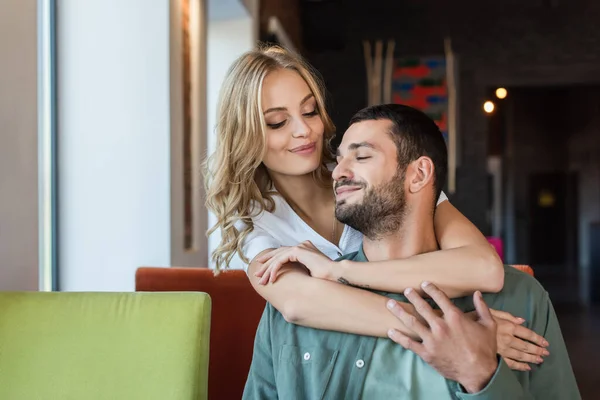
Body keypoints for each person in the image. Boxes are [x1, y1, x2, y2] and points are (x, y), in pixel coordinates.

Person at [204, 45, 547, 369]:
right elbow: (297, 303)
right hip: (341, 365)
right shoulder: (249, 221)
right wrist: (456, 333)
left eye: (310, 111)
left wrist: (340, 272)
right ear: (244, 133)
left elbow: (485, 269)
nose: (305, 130)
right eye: (278, 122)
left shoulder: (374, 178)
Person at [242, 104, 580, 399]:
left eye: (360, 156)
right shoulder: (298, 294)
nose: (338, 172)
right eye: (339, 158)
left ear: (418, 174)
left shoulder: (519, 300)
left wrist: (480, 376)